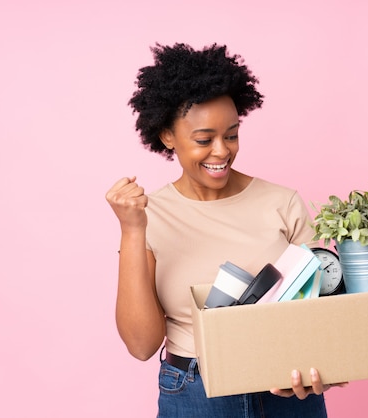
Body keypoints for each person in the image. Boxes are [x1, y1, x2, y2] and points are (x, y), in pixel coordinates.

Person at [105, 43, 343, 417]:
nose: (222, 151)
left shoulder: (283, 203)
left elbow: (325, 312)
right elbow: (141, 345)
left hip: (286, 390)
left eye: (231, 135)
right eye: (204, 139)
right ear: (168, 136)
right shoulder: (149, 216)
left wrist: (325, 369)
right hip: (197, 393)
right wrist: (132, 231)